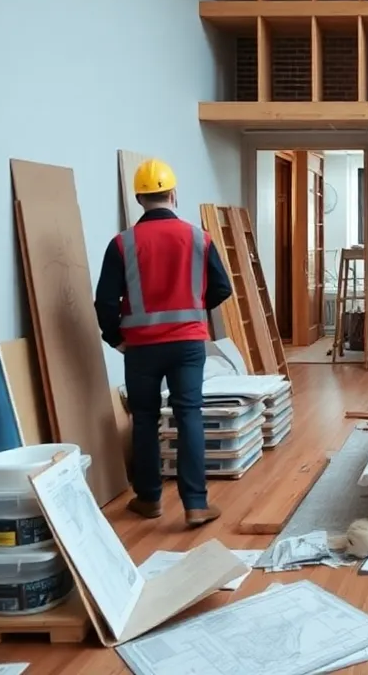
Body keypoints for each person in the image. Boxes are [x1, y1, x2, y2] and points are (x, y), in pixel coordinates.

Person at [93, 159, 233, 527]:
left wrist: (116, 339)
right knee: (189, 415)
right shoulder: (200, 239)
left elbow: (105, 301)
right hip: (187, 345)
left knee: (144, 419)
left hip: (140, 348)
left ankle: (149, 499)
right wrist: (191, 309)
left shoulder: (121, 243)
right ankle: (196, 504)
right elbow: (222, 287)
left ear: (139, 198)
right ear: (173, 194)